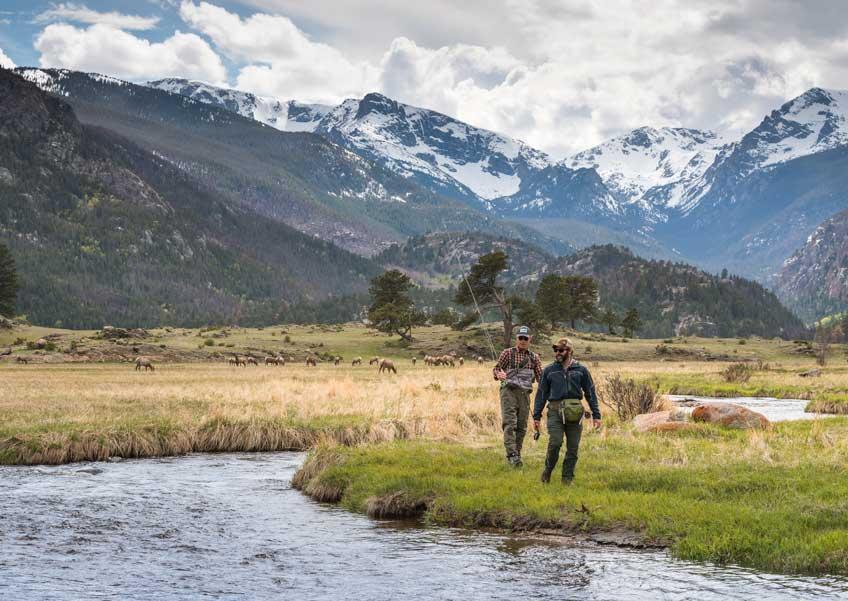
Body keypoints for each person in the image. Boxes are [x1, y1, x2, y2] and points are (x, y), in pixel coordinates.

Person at [533, 337, 601, 484]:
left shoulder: (581, 370)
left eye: (561, 350)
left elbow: (590, 392)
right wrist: (536, 416)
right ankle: (548, 470)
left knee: (573, 448)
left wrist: (596, 415)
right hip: (554, 411)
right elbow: (541, 394)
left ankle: (567, 480)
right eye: (555, 349)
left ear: (569, 351)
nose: (557, 352)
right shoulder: (549, 370)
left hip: (575, 413)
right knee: (555, 442)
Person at [493, 325, 543, 467]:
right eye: (520, 338)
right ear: (516, 339)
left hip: (525, 394)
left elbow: (541, 378)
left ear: (530, 339)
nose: (522, 341)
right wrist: (499, 374)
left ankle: (517, 452)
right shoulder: (507, 353)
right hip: (508, 392)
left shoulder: (534, 358)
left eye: (525, 338)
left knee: (522, 426)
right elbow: (496, 369)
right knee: (510, 423)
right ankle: (512, 454)